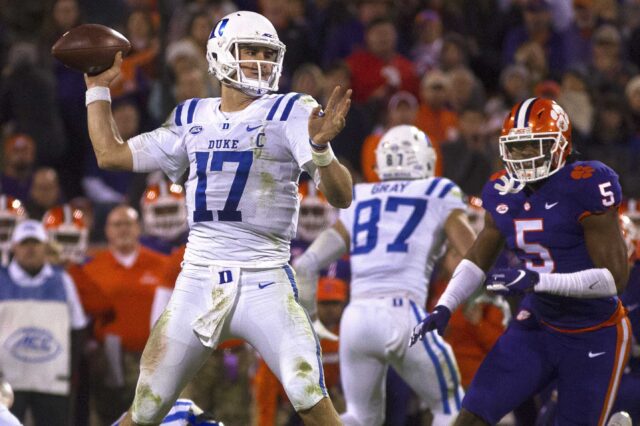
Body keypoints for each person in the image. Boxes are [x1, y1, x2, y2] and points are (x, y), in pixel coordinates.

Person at [83, 10, 352, 426]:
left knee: (308, 394)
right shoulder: (192, 116)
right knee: (147, 406)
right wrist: (98, 89)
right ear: (220, 55)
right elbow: (109, 153)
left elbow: (342, 195)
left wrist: (320, 149)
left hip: (266, 277)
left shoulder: (293, 110)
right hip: (199, 278)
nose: (261, 61)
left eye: (268, 52)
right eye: (250, 51)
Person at [410, 98, 631, 425]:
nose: (523, 156)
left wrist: (536, 280)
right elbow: (476, 259)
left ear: (560, 144)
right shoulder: (502, 189)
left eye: (533, 146)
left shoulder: (587, 182)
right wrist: (446, 304)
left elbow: (615, 280)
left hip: (593, 331)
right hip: (536, 324)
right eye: (516, 148)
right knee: (471, 417)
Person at [294, 124, 475, 425]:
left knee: (360, 417)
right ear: (425, 158)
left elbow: (307, 264)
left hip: (356, 318)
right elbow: (472, 255)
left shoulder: (361, 194)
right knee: (451, 407)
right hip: (404, 314)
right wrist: (482, 293)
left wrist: (311, 320)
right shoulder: (438, 191)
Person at [0, 220, 88, 426]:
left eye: (35, 243)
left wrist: (70, 372)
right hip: (7, 381)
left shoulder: (63, 280)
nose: (30, 249)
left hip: (52, 382)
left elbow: (78, 328)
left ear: (45, 246)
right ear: (14, 247)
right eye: (24, 243)